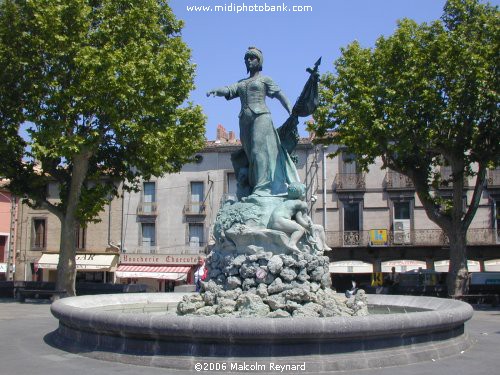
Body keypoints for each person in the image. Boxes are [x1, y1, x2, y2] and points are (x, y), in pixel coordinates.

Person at [207, 47, 300, 198]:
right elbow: (229, 89)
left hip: (261, 116)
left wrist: (291, 111)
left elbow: (280, 95)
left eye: (252, 58)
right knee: (250, 156)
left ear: (259, 61)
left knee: (258, 151)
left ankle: (262, 187)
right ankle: (254, 185)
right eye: (246, 58)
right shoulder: (241, 83)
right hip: (244, 120)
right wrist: (216, 90)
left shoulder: (265, 80)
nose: (248, 60)